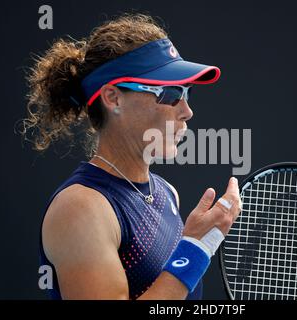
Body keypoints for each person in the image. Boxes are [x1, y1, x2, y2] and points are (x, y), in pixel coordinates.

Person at [22, 13, 241, 300]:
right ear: (113, 98)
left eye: (187, 93)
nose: (187, 111)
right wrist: (195, 249)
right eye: (170, 93)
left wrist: (194, 247)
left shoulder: (167, 193)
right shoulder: (79, 208)